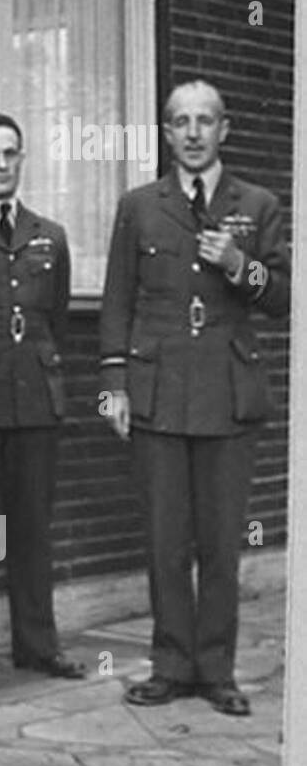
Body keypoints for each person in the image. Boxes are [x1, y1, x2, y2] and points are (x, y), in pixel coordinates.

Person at [101, 80, 289, 716]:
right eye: (179, 121)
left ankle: (217, 670)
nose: (192, 132)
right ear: (166, 132)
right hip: (157, 393)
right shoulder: (139, 206)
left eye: (204, 121)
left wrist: (240, 263)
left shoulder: (257, 204)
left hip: (228, 395)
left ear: (224, 130)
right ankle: (170, 664)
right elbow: (118, 301)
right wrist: (114, 388)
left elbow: (287, 298)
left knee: (219, 541)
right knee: (164, 539)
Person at [0, 113, 83, 677]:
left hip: (34, 397)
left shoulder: (48, 235)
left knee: (31, 528)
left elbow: (53, 317)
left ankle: (37, 645)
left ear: (22, 160)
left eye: (11, 154)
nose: (1, 165)